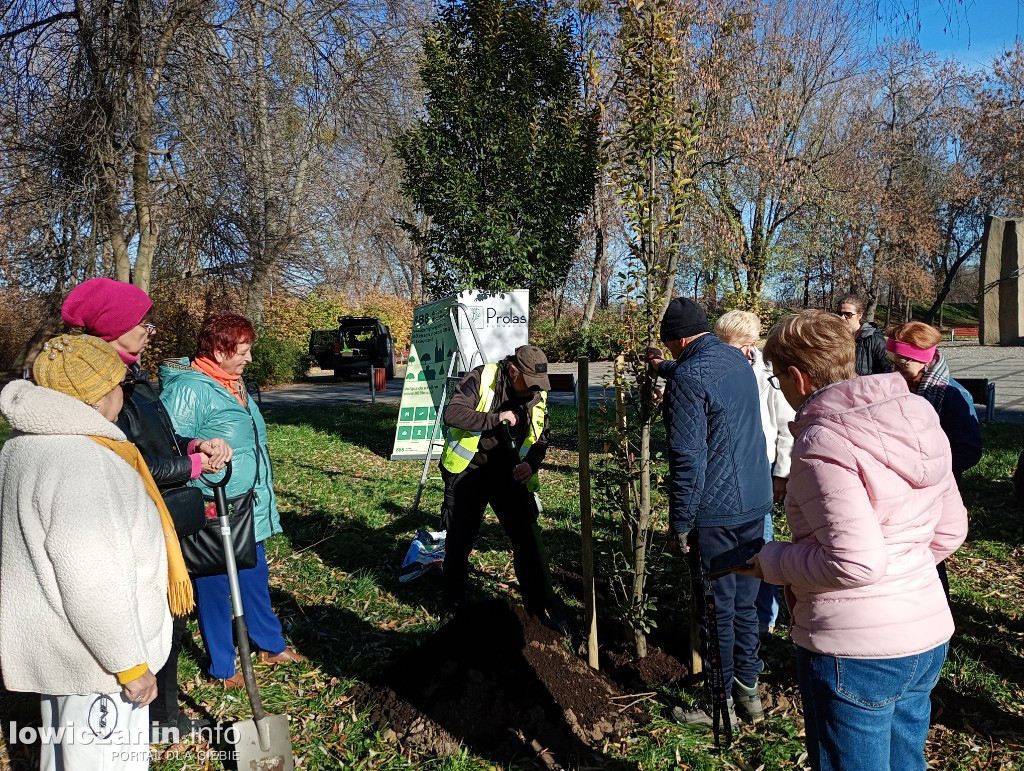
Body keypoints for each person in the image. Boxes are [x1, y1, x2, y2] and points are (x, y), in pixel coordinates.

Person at [745, 310, 968, 771]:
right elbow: (950, 530)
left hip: (856, 651)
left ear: (798, 377)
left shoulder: (822, 440)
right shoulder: (915, 414)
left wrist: (772, 561)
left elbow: (855, 564)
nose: (781, 391)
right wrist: (904, 568)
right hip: (925, 634)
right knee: (907, 761)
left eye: (777, 381)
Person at [0, 335, 182, 771]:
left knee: (67, 758)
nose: (125, 391)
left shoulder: (23, 445)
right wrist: (129, 666)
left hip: (62, 654)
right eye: (121, 383)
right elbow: (91, 581)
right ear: (101, 397)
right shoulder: (84, 464)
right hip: (98, 667)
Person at [61, 276, 232, 734]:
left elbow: (165, 441)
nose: (151, 329)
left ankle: (164, 715)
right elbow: (125, 462)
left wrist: (197, 444)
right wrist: (191, 468)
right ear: (114, 327)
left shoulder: (136, 376)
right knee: (148, 622)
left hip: (164, 520)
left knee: (168, 622)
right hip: (134, 521)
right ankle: (150, 718)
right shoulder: (98, 387)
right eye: (144, 322)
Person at [160, 313, 307, 689]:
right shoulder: (190, 388)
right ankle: (223, 666)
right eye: (243, 351)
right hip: (214, 505)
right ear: (217, 349)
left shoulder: (233, 383)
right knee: (213, 585)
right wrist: (200, 451)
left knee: (255, 575)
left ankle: (269, 645)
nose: (250, 359)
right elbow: (168, 444)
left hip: (247, 503)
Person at [650, 298, 773, 727]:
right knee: (744, 601)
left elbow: (688, 458)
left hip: (717, 511)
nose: (669, 356)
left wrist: (680, 522)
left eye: (669, 349)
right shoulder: (735, 359)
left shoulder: (687, 375)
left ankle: (719, 708)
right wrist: (662, 367)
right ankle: (749, 692)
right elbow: (695, 375)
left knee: (716, 608)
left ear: (679, 340)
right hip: (754, 501)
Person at [439, 345, 569, 632]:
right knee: (460, 540)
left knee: (525, 539)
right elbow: (453, 414)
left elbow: (541, 436)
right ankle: (453, 606)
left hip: (510, 476)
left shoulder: (537, 393)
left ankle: (536, 606)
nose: (535, 390)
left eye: (540, 385)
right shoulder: (483, 377)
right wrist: (495, 419)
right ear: (513, 371)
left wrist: (532, 464)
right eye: (530, 383)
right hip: (469, 473)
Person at [885, 321, 981, 602]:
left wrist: (928, 472)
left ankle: (935, 609)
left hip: (936, 490)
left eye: (902, 364)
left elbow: (969, 449)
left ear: (923, 361)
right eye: (893, 363)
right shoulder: (899, 388)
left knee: (928, 557)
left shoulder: (951, 395)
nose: (896, 371)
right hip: (900, 489)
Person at [715, 310, 795, 638]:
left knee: (760, 541)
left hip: (761, 466)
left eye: (729, 346)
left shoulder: (769, 373)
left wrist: (782, 474)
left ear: (749, 345)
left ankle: (765, 616)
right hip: (730, 465)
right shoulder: (720, 367)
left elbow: (785, 426)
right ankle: (739, 611)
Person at [836, 293, 893, 376]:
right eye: (839, 314)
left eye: (848, 314)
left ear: (860, 315)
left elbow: (889, 372)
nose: (842, 318)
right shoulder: (836, 339)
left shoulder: (875, 340)